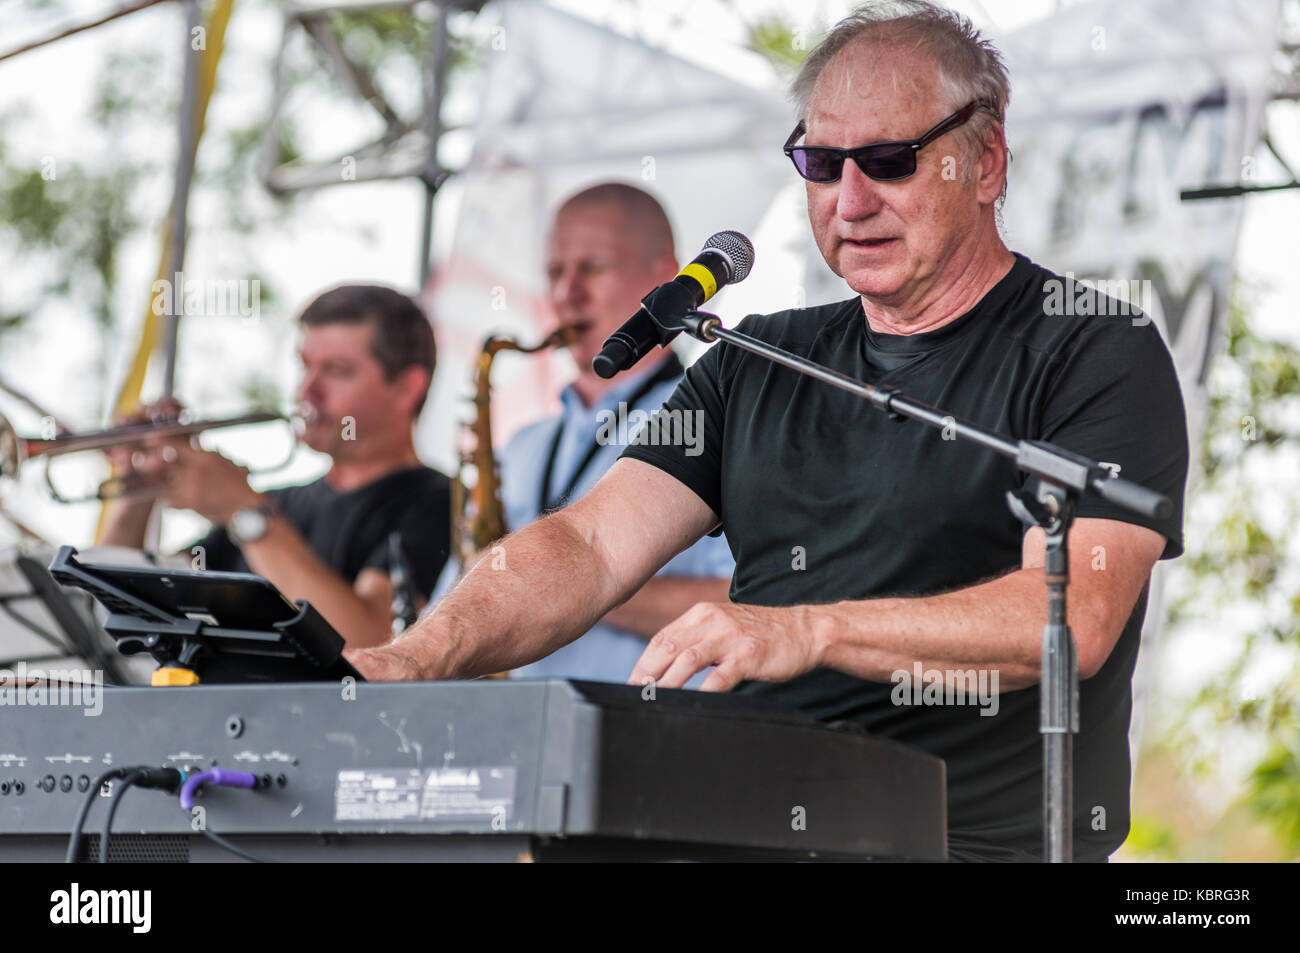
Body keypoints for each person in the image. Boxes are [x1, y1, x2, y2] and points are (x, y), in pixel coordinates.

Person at [351, 0, 1188, 862]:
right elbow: (592, 546)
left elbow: (1074, 618)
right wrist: (419, 655)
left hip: (966, 843)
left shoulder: (1093, 347)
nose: (850, 200)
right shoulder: (757, 359)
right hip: (744, 824)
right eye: (822, 164)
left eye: (890, 162)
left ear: (985, 163)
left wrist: (803, 628)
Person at [435, 183, 735, 681]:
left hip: (651, 734)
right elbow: (457, 588)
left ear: (668, 277)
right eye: (555, 272)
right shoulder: (524, 444)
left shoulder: (718, 415)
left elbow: (755, 602)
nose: (565, 294)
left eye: (593, 268)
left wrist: (562, 576)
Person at [99, 284, 452, 650]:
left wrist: (245, 513)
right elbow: (120, 608)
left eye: (337, 371)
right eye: (305, 366)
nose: (306, 392)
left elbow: (369, 641)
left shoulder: (440, 503)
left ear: (407, 388)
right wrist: (137, 489)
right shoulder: (278, 505)